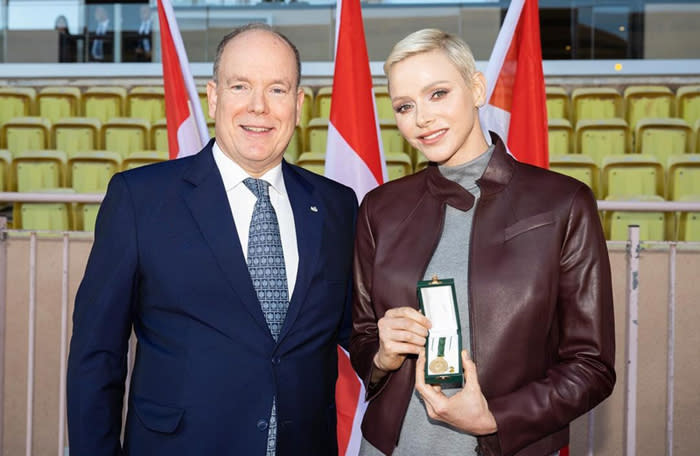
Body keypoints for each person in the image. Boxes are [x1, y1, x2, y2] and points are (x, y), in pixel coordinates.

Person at [67, 23, 357, 456]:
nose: (258, 107)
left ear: (298, 104)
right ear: (214, 95)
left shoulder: (337, 206)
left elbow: (358, 332)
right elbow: (96, 357)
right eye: (240, 86)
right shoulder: (140, 199)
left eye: (277, 90)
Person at [350, 29, 615, 456]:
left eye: (438, 93)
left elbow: (592, 367)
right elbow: (362, 339)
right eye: (405, 106)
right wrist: (381, 354)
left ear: (476, 88)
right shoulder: (379, 208)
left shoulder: (564, 203)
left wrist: (495, 418)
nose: (422, 118)